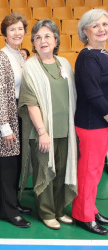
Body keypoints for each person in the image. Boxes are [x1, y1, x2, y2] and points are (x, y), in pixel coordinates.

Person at [18, 19, 78, 230]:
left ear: (56, 40)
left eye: (47, 36)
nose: (43, 41)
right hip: (42, 131)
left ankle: (59, 210)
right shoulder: (31, 67)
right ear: (33, 43)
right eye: (37, 37)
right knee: (45, 170)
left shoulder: (65, 64)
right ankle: (46, 212)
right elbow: (30, 102)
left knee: (61, 170)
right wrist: (42, 131)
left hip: (65, 129)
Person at [0, 13, 31, 228]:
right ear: (5, 33)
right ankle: (8, 211)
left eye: (20, 29)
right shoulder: (1, 58)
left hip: (19, 116)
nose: (17, 33)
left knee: (16, 165)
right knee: (8, 167)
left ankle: (13, 203)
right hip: (7, 120)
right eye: (12, 29)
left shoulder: (19, 55)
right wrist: (4, 127)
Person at [72, 9, 108, 235]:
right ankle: (82, 215)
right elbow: (94, 94)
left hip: (100, 123)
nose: (102, 28)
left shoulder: (102, 53)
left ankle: (91, 208)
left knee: (95, 171)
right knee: (88, 171)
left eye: (104, 24)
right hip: (91, 123)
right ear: (85, 31)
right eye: (95, 25)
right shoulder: (87, 58)